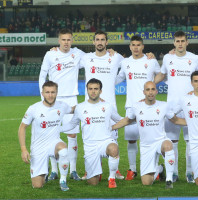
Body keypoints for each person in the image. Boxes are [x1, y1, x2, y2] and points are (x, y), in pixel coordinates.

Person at [154, 30, 198, 183]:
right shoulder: (168, 58)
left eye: (183, 41)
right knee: (172, 141)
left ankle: (189, 172)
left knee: (190, 141)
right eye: (177, 41)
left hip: (190, 106)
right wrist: (148, 85)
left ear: (187, 42)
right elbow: (162, 75)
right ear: (174, 43)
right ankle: (173, 173)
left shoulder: (194, 58)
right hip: (172, 106)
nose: (180, 44)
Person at [39, 28, 84, 181]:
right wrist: (43, 97)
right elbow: (42, 74)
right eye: (63, 39)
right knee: (52, 136)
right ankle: (54, 170)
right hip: (53, 100)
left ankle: (73, 170)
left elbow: (95, 58)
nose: (66, 42)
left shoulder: (78, 54)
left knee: (72, 135)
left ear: (72, 40)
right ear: (58, 41)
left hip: (71, 99)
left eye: (68, 39)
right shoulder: (50, 54)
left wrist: (109, 50)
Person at [112, 81, 175, 189]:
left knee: (168, 145)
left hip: (160, 141)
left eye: (152, 89)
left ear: (156, 91)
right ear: (144, 92)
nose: (150, 92)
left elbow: (175, 119)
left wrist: (191, 122)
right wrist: (112, 127)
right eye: (148, 90)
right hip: (146, 146)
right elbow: (127, 120)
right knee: (146, 182)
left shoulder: (164, 105)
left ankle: (169, 180)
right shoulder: (136, 106)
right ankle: (159, 169)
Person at [79, 30, 124, 180]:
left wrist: (148, 55)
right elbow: (68, 60)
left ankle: (115, 170)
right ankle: (90, 169)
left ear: (107, 42)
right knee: (90, 137)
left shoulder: (116, 57)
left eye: (102, 40)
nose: (99, 42)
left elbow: (130, 65)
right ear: (93, 42)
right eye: (97, 39)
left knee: (113, 137)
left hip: (109, 105)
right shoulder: (86, 58)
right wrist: (55, 49)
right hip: (89, 107)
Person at [61, 78, 121, 188]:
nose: (93, 91)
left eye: (96, 89)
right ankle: (97, 172)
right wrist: (57, 128)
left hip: (105, 142)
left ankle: (112, 178)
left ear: (100, 91)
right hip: (90, 146)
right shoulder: (80, 107)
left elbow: (120, 119)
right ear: (87, 90)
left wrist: (113, 127)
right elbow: (71, 124)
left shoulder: (107, 106)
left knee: (113, 148)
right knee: (93, 182)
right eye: (90, 89)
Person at [115, 35, 161, 180]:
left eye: (138, 45)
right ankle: (132, 169)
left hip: (148, 106)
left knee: (151, 139)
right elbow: (118, 78)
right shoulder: (125, 62)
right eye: (133, 45)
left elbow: (161, 74)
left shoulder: (151, 61)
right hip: (131, 106)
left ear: (143, 47)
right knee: (132, 139)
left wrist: (151, 87)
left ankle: (155, 168)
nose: (136, 47)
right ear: (130, 47)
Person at [18, 81, 73, 191]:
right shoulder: (34, 108)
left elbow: (74, 109)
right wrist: (23, 149)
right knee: (37, 186)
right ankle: (45, 170)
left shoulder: (62, 106)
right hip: (38, 147)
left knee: (63, 150)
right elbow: (22, 128)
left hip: (54, 143)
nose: (50, 95)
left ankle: (63, 180)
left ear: (57, 93)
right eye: (47, 92)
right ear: (42, 93)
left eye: (53, 92)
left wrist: (93, 103)